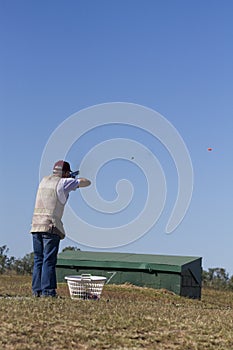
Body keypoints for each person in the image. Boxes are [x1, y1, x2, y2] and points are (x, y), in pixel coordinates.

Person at [30, 160, 91, 297]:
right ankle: (48, 291)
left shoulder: (44, 181)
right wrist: (72, 178)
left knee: (38, 259)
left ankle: (37, 291)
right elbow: (86, 182)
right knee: (49, 260)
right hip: (50, 226)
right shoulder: (64, 182)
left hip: (35, 225)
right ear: (65, 173)